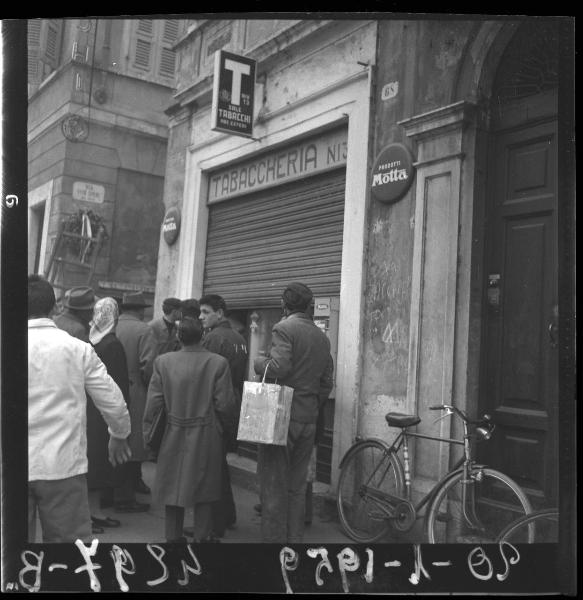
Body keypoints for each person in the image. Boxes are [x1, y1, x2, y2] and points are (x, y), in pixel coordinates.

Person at [28, 275, 131, 543]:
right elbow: (113, 400)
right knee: (69, 554)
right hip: (63, 467)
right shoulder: (78, 349)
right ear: (53, 308)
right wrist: (119, 435)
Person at [253, 282, 334, 543]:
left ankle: (274, 543)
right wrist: (311, 402)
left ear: (283, 305)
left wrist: (258, 362)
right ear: (309, 305)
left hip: (281, 416)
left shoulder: (284, 328)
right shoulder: (321, 337)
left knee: (275, 484)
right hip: (308, 417)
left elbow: (279, 367)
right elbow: (326, 382)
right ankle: (293, 540)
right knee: (297, 486)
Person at [143, 317, 236, 543]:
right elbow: (225, 405)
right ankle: (202, 537)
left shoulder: (163, 362)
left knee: (173, 487)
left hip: (172, 431)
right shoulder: (218, 363)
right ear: (203, 336)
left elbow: (154, 404)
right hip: (207, 432)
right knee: (204, 489)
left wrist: (148, 434)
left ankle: (172, 538)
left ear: (178, 336)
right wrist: (225, 430)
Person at [196, 294, 248, 537]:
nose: (201, 317)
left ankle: (214, 524)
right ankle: (227, 515)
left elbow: (205, 378)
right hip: (233, 403)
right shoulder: (239, 337)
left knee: (210, 467)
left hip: (215, 407)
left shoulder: (213, 339)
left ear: (220, 312)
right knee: (219, 464)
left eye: (206, 312)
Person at [87, 297, 131, 531]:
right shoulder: (112, 344)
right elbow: (118, 384)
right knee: (100, 460)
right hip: (105, 411)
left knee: (95, 459)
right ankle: (91, 513)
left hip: (92, 409)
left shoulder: (93, 339)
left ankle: (94, 511)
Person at [115, 291, 157, 509]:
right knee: (134, 441)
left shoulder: (110, 325)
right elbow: (149, 365)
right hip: (135, 389)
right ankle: (125, 495)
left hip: (109, 387)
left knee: (114, 437)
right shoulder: (144, 329)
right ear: (141, 310)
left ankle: (113, 490)